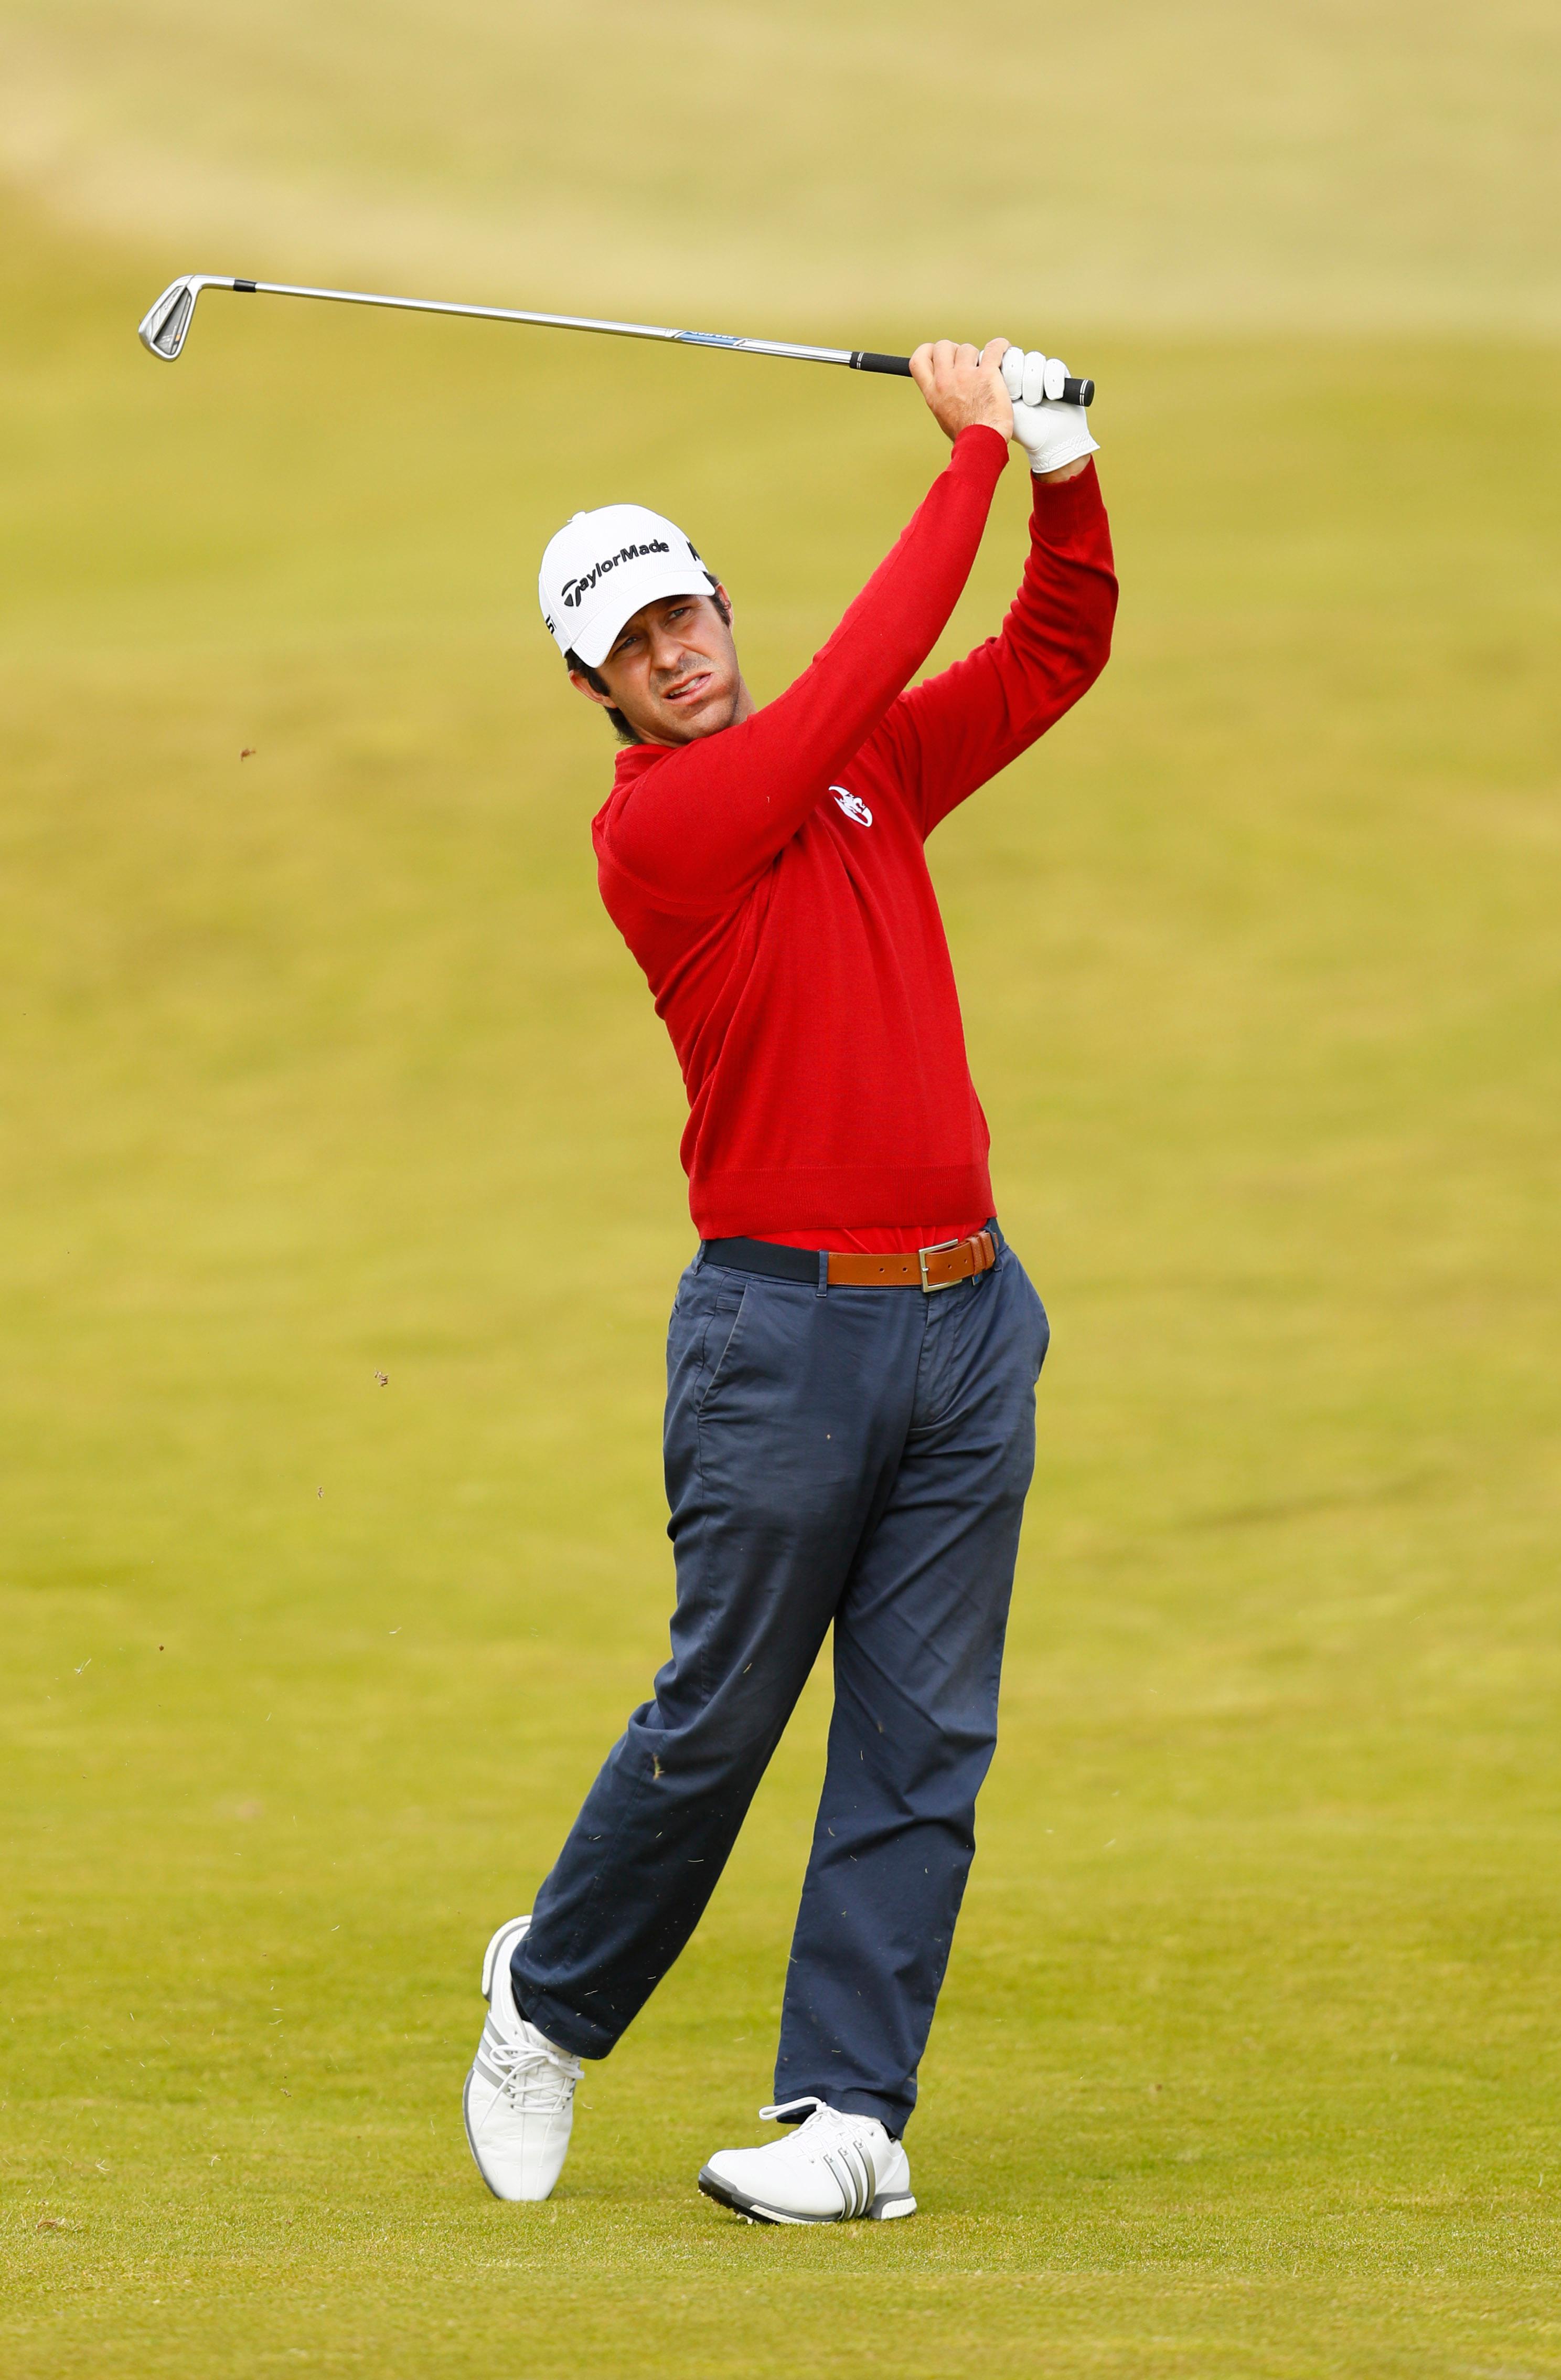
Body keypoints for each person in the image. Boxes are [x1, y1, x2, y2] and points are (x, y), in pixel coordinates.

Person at [463, 338, 1117, 2224]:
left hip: (969, 1320)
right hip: (784, 1336)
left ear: (718, 603)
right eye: (633, 643)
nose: (676, 652)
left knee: (924, 1736)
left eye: (686, 612)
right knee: (724, 1721)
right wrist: (971, 454)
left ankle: (849, 2119)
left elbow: (1052, 654)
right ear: (592, 686)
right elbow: (861, 674)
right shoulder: (664, 832)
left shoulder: (862, 781)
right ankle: (550, 1999)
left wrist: (1063, 478)